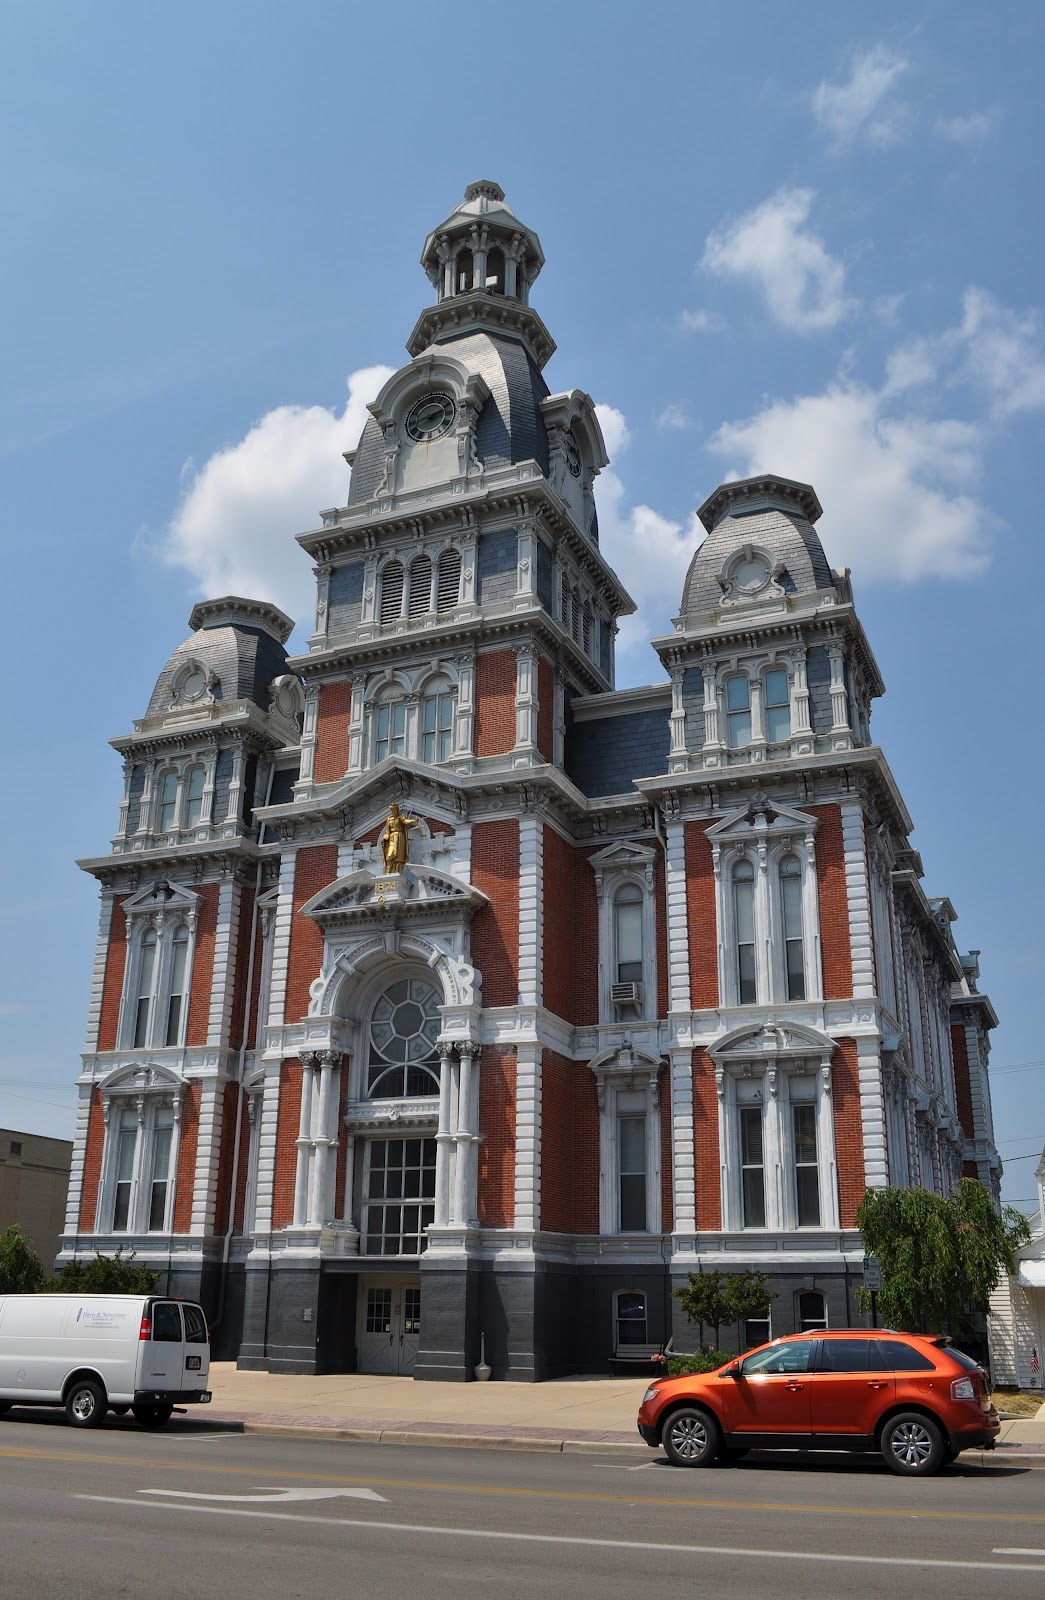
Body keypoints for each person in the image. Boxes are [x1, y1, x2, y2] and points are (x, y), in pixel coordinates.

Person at [380, 801, 419, 874]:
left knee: (398, 856)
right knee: (389, 855)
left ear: (397, 810)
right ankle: (388, 871)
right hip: (391, 837)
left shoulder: (401, 817)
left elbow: (405, 821)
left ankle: (398, 871)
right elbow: (387, 830)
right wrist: (385, 838)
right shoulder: (389, 819)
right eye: (392, 810)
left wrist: (413, 820)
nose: (393, 812)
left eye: (395, 810)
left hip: (399, 837)